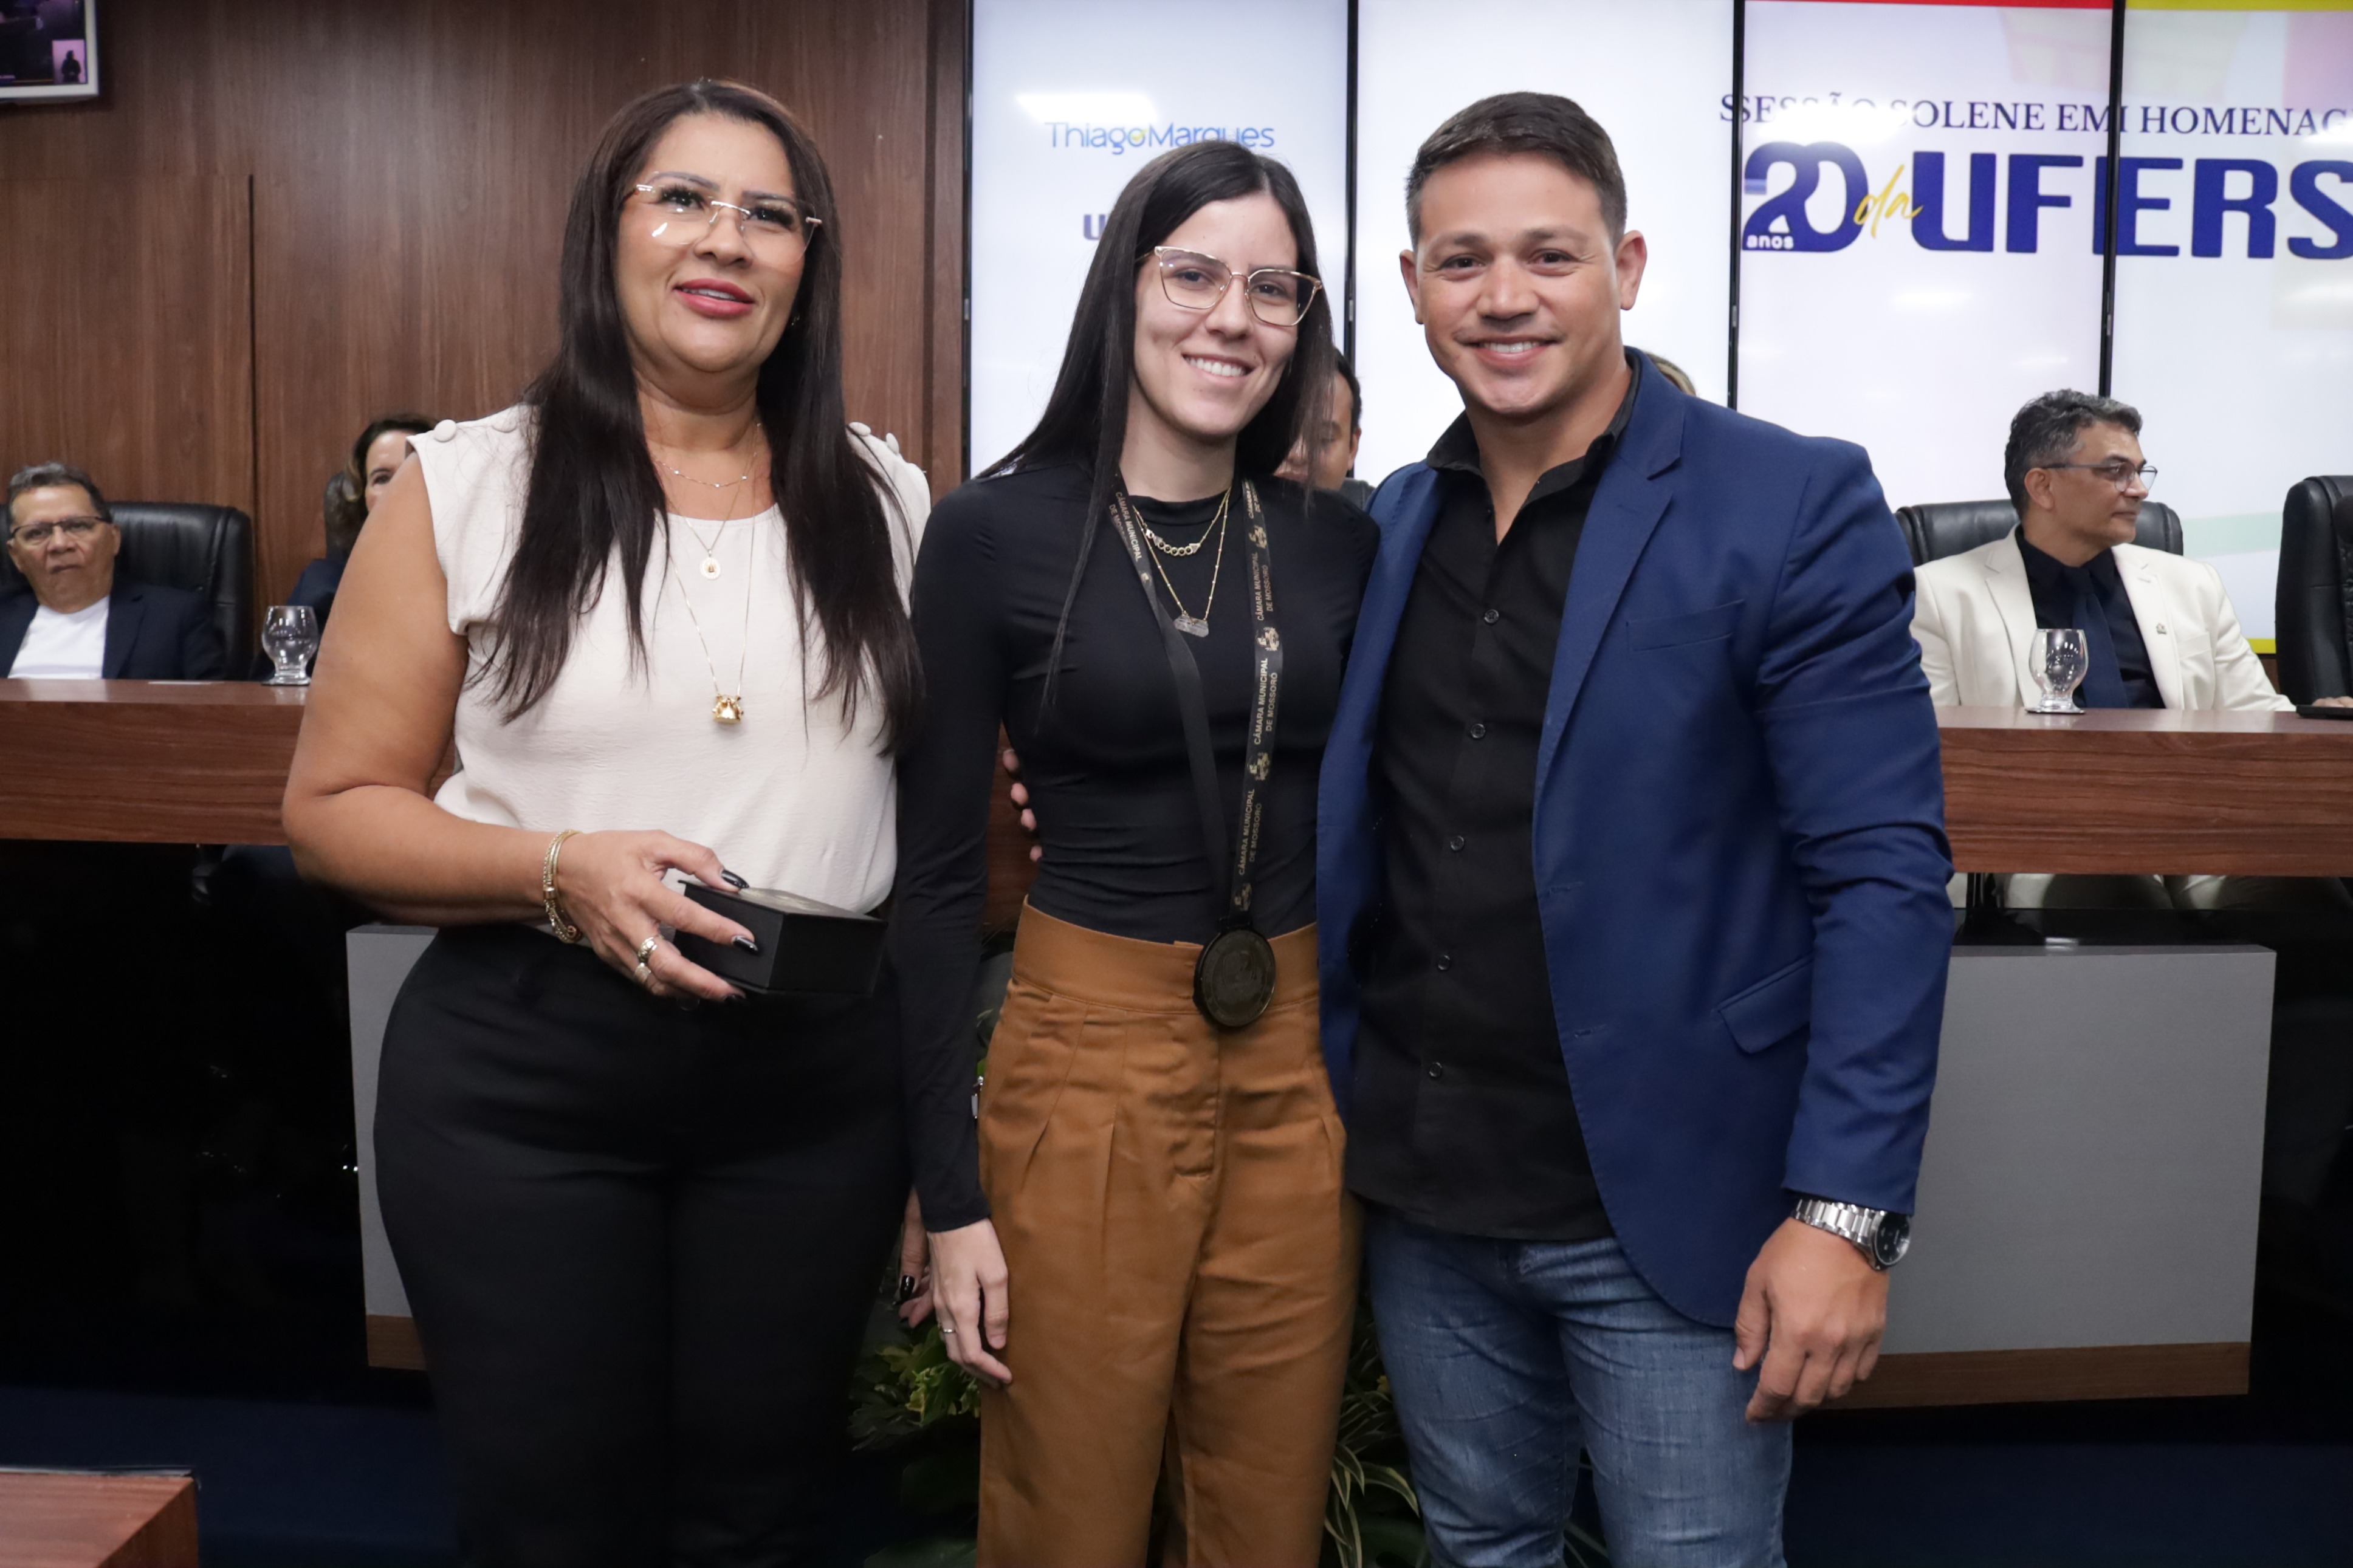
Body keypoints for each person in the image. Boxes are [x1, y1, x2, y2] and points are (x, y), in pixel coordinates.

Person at [281, 80, 930, 1564]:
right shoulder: (468, 484)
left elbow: (945, 812)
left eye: (769, 214)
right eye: (682, 198)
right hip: (530, 1080)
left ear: (808, 261)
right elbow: (331, 815)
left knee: (766, 1516)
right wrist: (556, 867)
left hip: (815, 1089)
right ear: (607, 233)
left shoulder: (887, 500)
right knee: (554, 1521)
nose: (726, 240)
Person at [1319, 94, 1951, 1564]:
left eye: (1549, 254)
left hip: (1671, 1204)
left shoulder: (1784, 497)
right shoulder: (1392, 519)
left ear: (1628, 266)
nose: (1505, 295)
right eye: (1462, 260)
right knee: (1480, 1545)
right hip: (1424, 1190)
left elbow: (1881, 879)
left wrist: (1845, 1213)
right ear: (1411, 286)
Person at [893, 139, 1375, 1566]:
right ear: (1125, 288)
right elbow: (934, 880)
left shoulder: (1335, 543)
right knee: (1069, 1513)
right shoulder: (990, 534)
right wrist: (947, 1192)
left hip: (1296, 1063)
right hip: (1085, 1062)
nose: (1233, 318)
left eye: (1273, 289)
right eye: (1194, 275)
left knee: (1264, 1514)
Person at [1912, 389, 2348, 911]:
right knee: (2110, 894)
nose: (2139, 490)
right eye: (2116, 472)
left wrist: (2317, 720)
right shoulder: (1940, 593)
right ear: (2043, 485)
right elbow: (1930, 751)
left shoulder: (2192, 584)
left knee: (2312, 896)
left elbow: (2255, 714)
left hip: (2197, 830)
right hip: (2041, 839)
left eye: (2141, 472)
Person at [3, 460, 227, 680]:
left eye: (78, 526)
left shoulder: (176, 617)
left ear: (114, 539)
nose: (60, 544)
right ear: (16, 556)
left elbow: (213, 701)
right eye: (37, 533)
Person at [287, 413, 438, 625]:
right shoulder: (323, 587)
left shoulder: (473, 581)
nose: (398, 487)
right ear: (362, 498)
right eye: (382, 478)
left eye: (413, 473)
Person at [1277, 347, 1373, 505]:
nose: (1299, 454)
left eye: (1323, 437)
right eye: (1280, 432)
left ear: (1352, 449)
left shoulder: (1381, 517)